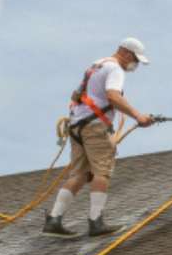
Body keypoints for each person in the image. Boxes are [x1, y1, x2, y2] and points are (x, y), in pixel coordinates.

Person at [43, 37, 154, 238]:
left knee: (79, 174)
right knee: (102, 171)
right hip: (94, 126)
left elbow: (81, 95)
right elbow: (113, 96)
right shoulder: (116, 70)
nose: (135, 64)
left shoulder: (97, 65)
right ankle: (96, 222)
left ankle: (54, 220)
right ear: (126, 53)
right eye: (135, 59)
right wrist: (138, 115)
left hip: (77, 125)